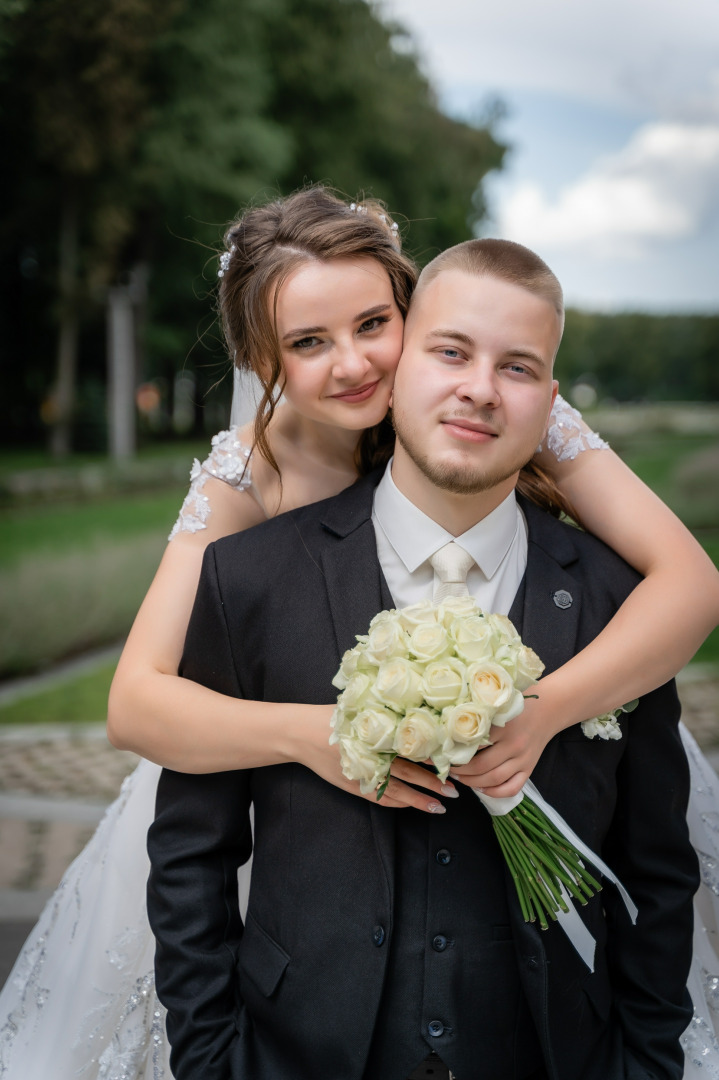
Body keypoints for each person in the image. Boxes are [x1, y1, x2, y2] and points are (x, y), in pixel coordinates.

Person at [0, 187, 717, 1078]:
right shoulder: (248, 478)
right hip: (291, 850)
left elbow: (688, 583)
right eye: (308, 343)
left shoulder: (490, 406)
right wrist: (319, 734)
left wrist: (546, 708)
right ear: (265, 364)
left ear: (412, 313)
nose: (354, 365)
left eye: (374, 323)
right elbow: (138, 703)